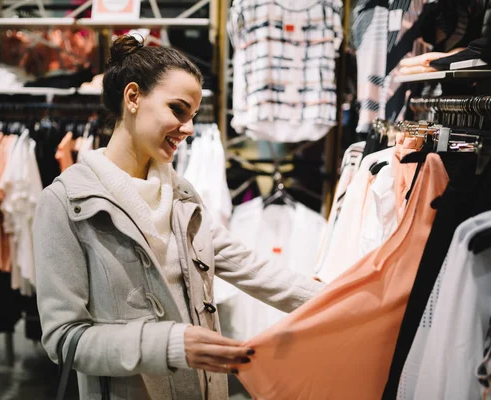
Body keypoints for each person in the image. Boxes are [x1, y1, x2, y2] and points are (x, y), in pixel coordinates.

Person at [32, 35, 325, 400]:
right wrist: (171, 344)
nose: (188, 128)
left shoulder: (182, 196)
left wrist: (341, 298)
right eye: (177, 110)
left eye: (193, 116)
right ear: (133, 97)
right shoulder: (65, 202)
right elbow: (65, 339)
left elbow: (252, 268)